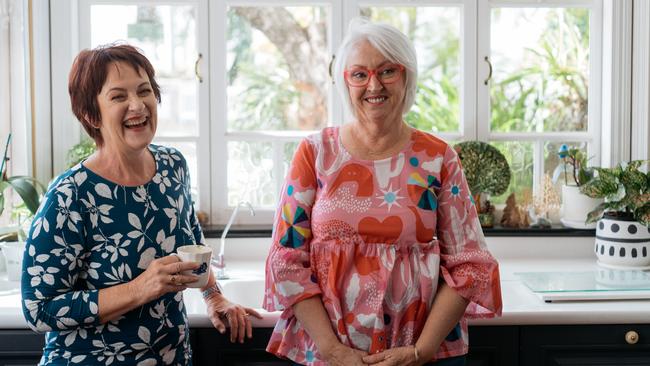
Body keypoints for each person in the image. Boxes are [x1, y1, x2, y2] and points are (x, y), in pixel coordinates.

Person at [263, 18, 502, 366]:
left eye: (387, 71)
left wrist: (421, 351)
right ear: (346, 83)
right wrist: (333, 351)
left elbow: (469, 264)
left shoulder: (438, 158)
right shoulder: (315, 153)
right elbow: (286, 260)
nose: (373, 84)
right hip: (326, 355)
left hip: (421, 354)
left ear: (407, 77)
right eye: (359, 74)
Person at [21, 44, 261, 365]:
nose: (138, 105)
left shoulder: (172, 166)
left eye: (144, 91)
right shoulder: (70, 195)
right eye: (119, 97)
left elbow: (192, 245)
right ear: (91, 114)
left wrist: (214, 295)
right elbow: (39, 309)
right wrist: (139, 288)